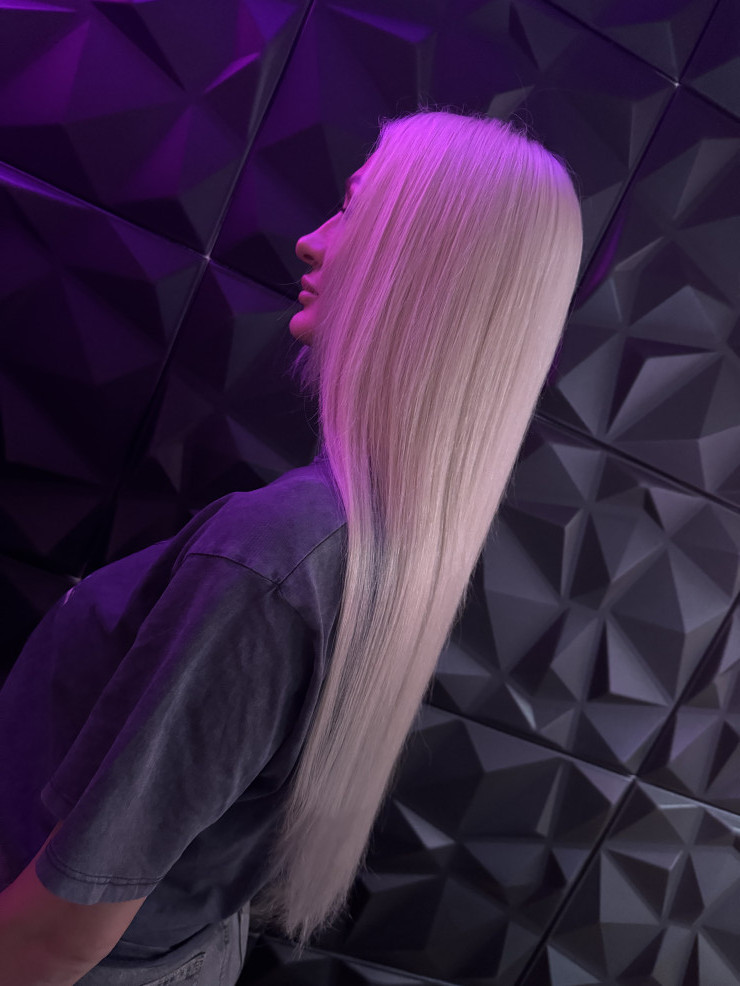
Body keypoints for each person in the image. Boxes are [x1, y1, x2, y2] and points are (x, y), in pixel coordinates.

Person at [0, 106, 583, 984]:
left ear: (420, 269)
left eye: (353, 211)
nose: (311, 242)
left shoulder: (276, 558)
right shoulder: (383, 552)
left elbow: (58, 935)